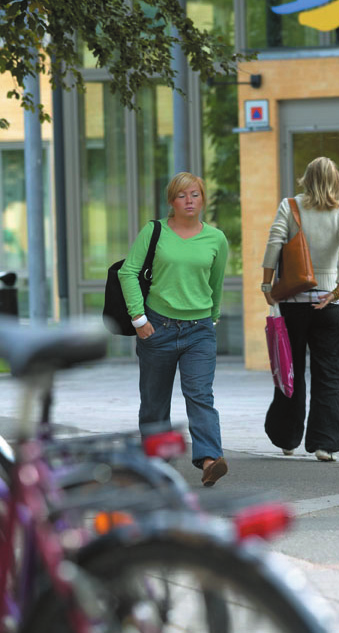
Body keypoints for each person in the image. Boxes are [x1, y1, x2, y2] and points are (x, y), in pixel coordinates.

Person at [118, 172, 229, 487]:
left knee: (200, 394)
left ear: (202, 199)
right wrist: (139, 319)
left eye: (195, 194)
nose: (189, 201)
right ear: (171, 201)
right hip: (157, 328)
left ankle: (210, 460)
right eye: (182, 195)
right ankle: (156, 467)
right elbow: (128, 273)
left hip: (199, 330)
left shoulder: (216, 239)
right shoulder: (154, 231)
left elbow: (216, 282)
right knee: (154, 402)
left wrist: (214, 315)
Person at [261, 157, 339, 462]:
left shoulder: (290, 207)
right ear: (335, 179)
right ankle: (324, 444)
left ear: (306, 178)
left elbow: (274, 242)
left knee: (290, 370)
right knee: (329, 374)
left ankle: (287, 439)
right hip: (328, 306)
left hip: (293, 304)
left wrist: (267, 286)